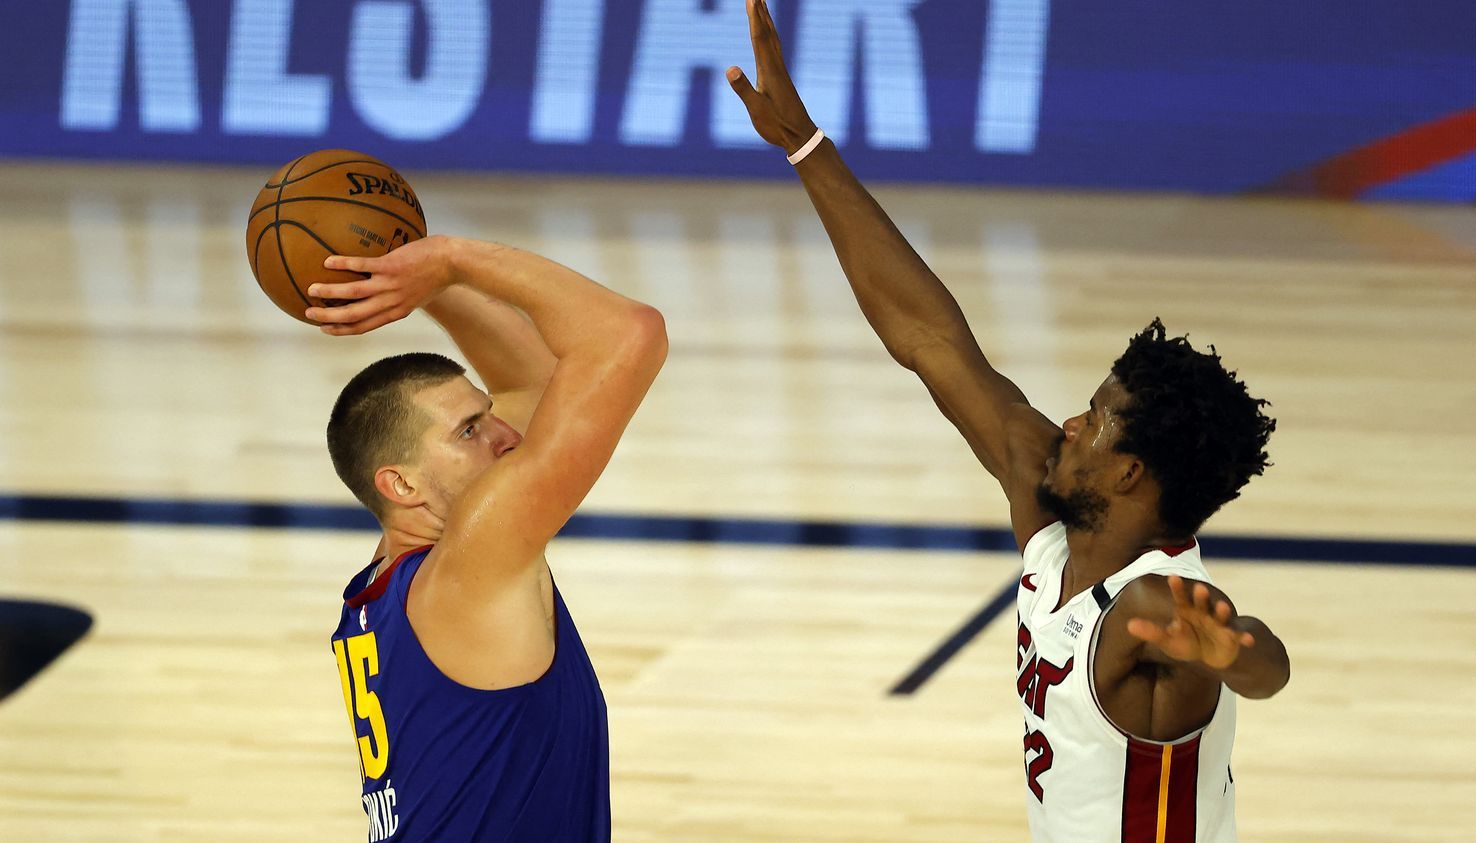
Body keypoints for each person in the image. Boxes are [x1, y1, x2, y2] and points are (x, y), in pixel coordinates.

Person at [725, 2, 1290, 839]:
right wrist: (806, 147)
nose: (1069, 422)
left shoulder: (1156, 603)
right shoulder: (1053, 513)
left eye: (1096, 421)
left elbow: (1263, 662)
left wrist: (1233, 652)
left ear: (1130, 472)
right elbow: (928, 337)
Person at [309, 236, 667, 841]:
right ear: (400, 484)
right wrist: (452, 260)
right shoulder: (475, 564)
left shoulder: (382, 582)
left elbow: (535, 385)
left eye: (486, 412)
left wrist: (426, 285)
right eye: (470, 430)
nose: (505, 435)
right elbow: (630, 332)